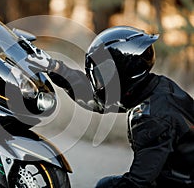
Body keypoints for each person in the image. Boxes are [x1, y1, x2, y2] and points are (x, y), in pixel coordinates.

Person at [26, 25, 194, 188]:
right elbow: (96, 98)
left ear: (122, 73)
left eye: (102, 74)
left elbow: (138, 182)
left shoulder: (153, 118)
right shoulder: (155, 89)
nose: (98, 80)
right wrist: (55, 67)